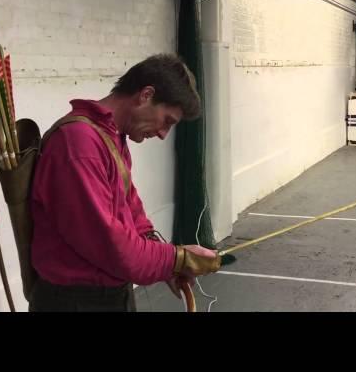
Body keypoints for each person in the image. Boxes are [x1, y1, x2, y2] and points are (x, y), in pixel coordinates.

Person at [28, 54, 219, 312]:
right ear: (146, 95)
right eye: (167, 121)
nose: (163, 134)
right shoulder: (79, 143)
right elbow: (111, 245)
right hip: (75, 303)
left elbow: (133, 212)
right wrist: (177, 259)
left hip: (105, 297)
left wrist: (166, 261)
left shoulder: (110, 136)